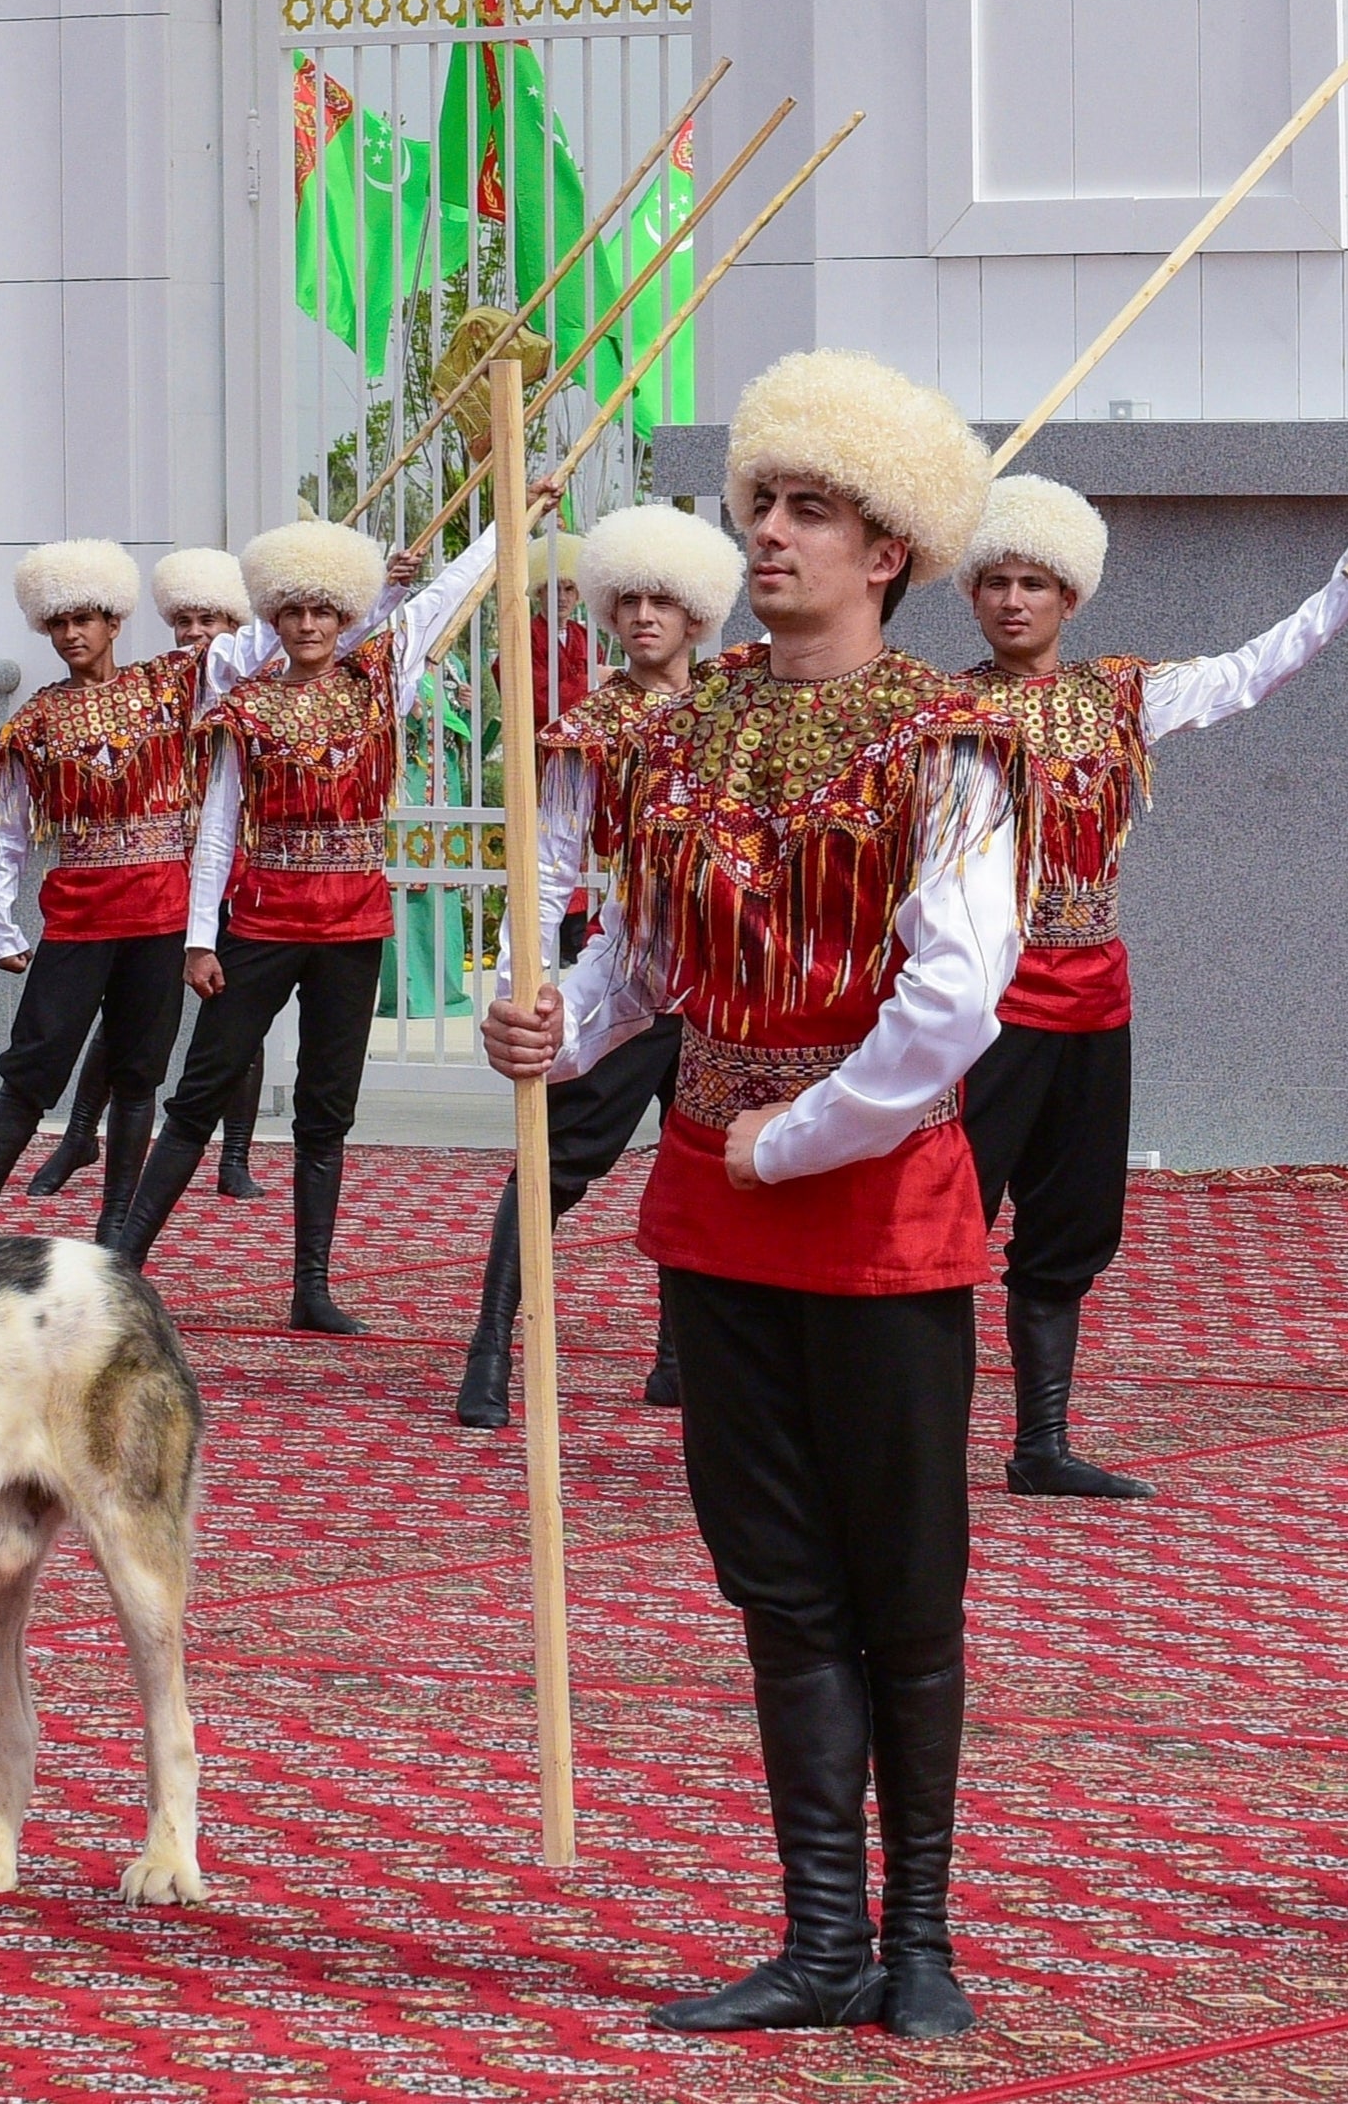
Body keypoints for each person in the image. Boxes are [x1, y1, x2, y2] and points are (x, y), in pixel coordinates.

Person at [483, 350, 1012, 2038]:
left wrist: (803, 1133)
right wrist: (549, 1023)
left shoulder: (949, 744)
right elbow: (638, 959)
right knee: (773, 1582)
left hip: (873, 1206)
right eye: (760, 502)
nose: (768, 534)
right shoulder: (682, 730)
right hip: (711, 1214)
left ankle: (918, 1929)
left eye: (810, 511)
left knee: (898, 1579)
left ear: (887, 554)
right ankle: (818, 1936)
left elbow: (953, 997)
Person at [953, 476, 1348, 1499]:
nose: (1011, 600)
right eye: (993, 581)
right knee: (944, 1223)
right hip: (980, 1012)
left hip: (1095, 1002)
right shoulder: (944, 717)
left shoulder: (1120, 695)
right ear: (971, 595)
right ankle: (910, 1442)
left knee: (1070, 1229)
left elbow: (1246, 674)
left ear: (1067, 597)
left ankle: (1039, 1443)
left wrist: (1339, 586)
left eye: (1031, 581)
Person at [107, 513, 498, 1334]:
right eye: (296, 612)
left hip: (352, 928)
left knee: (327, 1109)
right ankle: (123, 1268)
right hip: (264, 922)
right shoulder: (242, 709)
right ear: (274, 619)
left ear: (345, 613)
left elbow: (447, 592)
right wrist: (200, 937)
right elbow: (217, 824)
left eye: (326, 610)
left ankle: (311, 1287)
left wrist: (513, 513)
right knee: (199, 1094)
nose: (312, 624)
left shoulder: (378, 682)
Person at [454, 506, 745, 1429]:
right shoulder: (589, 729)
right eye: (629, 600)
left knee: (705, 1175)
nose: (646, 616)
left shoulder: (741, 712)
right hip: (632, 974)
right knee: (553, 1165)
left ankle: (678, 1361)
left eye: (665, 599)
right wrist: (520, 991)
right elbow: (547, 866)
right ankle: (490, 1351)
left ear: (699, 613)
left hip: (732, 985)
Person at [0, 540, 199, 1266]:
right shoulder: (33, 723)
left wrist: (378, 593)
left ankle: (114, 1235)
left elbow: (268, 645)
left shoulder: (170, 687)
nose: (71, 634)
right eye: (58, 622)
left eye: (85, 619)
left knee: (139, 1074)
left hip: (163, 913)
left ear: (113, 621)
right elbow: (5, 830)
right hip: (78, 915)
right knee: (31, 1068)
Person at [30, 547, 273, 1205]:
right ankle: (81, 1133)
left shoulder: (262, 677)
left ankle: (237, 1155)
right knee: (128, 1013)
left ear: (237, 626)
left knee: (235, 1011)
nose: (195, 634)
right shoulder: (167, 686)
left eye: (210, 621)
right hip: (162, 869)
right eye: (184, 621)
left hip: (237, 861)